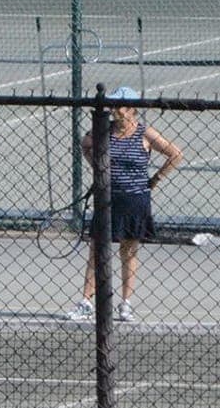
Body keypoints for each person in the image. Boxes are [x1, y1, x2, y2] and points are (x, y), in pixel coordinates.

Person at [66, 86, 184, 323]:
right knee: (97, 250)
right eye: (113, 106)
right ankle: (87, 301)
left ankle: (125, 303)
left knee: (128, 251)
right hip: (108, 199)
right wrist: (98, 169)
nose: (115, 111)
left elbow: (175, 154)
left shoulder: (145, 133)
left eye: (119, 106)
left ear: (132, 110)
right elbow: (85, 144)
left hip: (135, 200)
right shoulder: (104, 131)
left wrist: (156, 179)